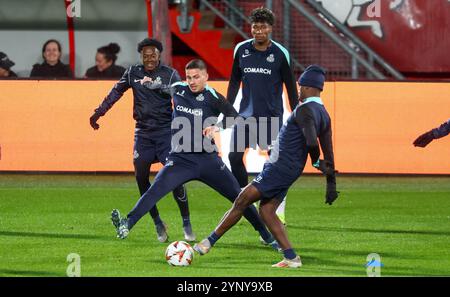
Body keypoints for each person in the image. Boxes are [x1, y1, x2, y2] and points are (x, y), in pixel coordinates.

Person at [110, 59, 280, 252]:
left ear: (206, 77)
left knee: (240, 197)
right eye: (189, 77)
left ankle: (266, 235)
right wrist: (150, 83)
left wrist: (218, 126)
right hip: (180, 160)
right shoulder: (179, 89)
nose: (192, 81)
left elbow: (237, 118)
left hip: (208, 161)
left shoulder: (213, 96)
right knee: (154, 191)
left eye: (196, 77)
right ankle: (127, 224)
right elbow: (164, 87)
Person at [194, 65, 339, 268]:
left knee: (242, 200)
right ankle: (291, 257)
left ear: (308, 87)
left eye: (300, 86)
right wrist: (331, 184)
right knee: (267, 210)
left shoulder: (305, 110)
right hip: (290, 169)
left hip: (279, 167)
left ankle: (207, 243)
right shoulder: (323, 113)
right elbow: (329, 152)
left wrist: (315, 160)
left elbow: (311, 141)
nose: (298, 89)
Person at [89, 38, 194, 242]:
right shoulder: (133, 72)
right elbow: (116, 92)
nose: (149, 59)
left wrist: (158, 87)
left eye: (152, 55)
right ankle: (157, 222)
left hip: (166, 133)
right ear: (141, 57)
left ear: (159, 55)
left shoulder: (170, 74)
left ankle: (186, 221)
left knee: (175, 177)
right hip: (143, 133)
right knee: (141, 178)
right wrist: (98, 112)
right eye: (145, 56)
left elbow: (181, 96)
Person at [226, 7, 298, 225]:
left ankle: (278, 211)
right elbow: (233, 82)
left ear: (270, 29)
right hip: (245, 117)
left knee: (277, 165)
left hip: (271, 119)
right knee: (234, 157)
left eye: (263, 26)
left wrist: (297, 114)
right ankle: (244, 200)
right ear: (251, 28)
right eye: (255, 26)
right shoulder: (241, 50)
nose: (259, 30)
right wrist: (229, 111)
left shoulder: (280, 53)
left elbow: (290, 87)